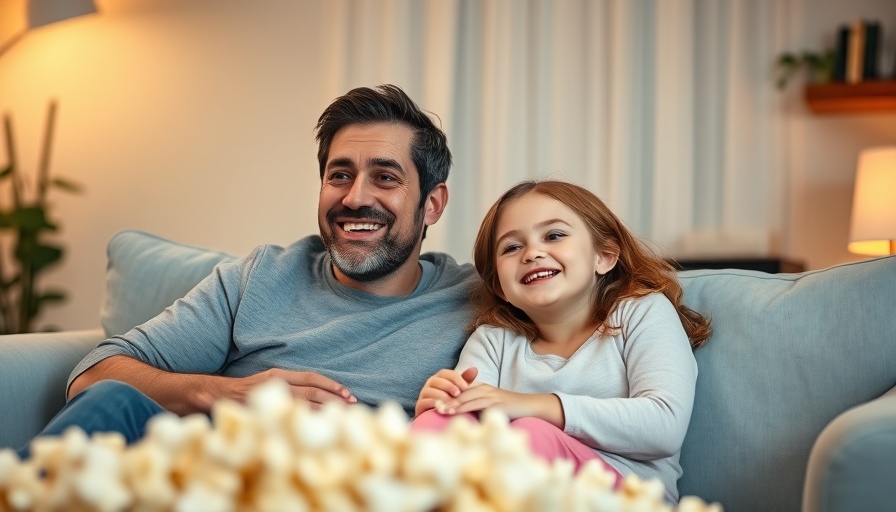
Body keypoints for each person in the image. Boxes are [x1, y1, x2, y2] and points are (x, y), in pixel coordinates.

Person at [17, 84, 479, 459]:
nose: (355, 197)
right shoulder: (262, 277)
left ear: (432, 204)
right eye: (339, 175)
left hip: (338, 489)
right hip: (199, 476)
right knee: (111, 401)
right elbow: (92, 378)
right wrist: (231, 395)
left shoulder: (476, 300)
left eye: (386, 177)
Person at [411, 180, 711, 504]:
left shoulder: (642, 311)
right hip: (507, 495)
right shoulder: (493, 340)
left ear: (604, 256)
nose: (532, 253)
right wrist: (445, 403)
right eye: (512, 247)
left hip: (627, 497)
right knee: (438, 421)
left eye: (554, 235)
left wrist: (535, 406)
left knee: (531, 434)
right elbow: (471, 423)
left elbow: (664, 424)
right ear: (499, 286)